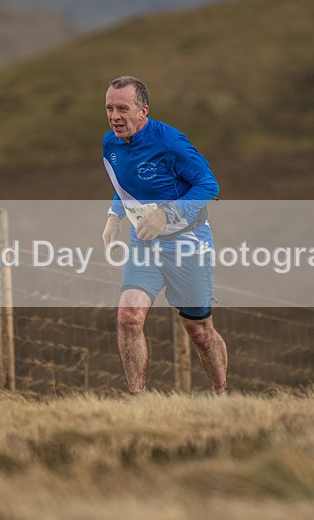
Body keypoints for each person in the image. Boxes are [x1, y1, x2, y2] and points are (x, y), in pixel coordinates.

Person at [100, 75, 228, 394]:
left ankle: (221, 395)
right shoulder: (110, 144)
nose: (115, 116)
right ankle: (138, 402)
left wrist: (166, 213)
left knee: (198, 330)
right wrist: (114, 216)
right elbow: (126, 187)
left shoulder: (170, 143)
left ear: (143, 111)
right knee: (128, 316)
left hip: (189, 244)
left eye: (123, 108)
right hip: (144, 244)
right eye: (109, 108)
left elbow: (210, 186)